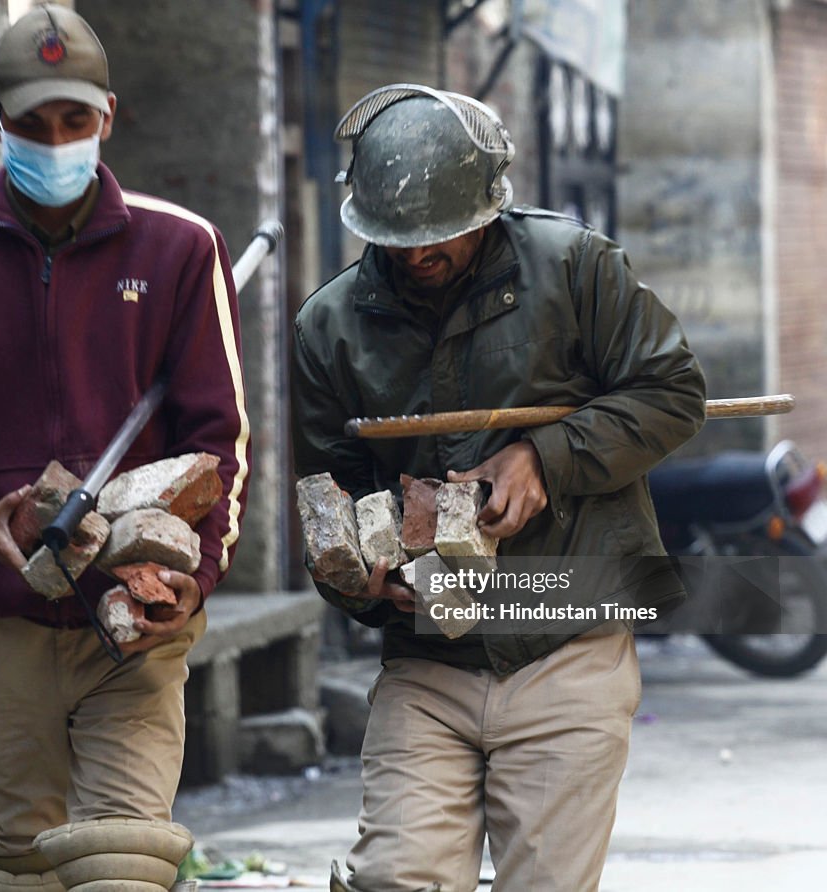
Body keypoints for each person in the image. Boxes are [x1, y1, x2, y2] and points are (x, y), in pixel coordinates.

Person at [0, 5, 250, 890]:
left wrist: (198, 579)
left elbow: (217, 445)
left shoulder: (182, 247)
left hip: (137, 621)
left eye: (76, 120)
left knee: (121, 865)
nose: (58, 139)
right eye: (33, 123)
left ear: (108, 115)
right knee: (26, 868)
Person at [291, 84, 706, 892]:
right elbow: (326, 498)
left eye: (441, 235)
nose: (419, 255)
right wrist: (365, 585)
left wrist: (547, 458)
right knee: (395, 878)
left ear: (489, 204)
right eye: (400, 239)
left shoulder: (577, 267)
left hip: (564, 630)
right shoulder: (329, 327)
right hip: (428, 659)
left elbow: (672, 393)